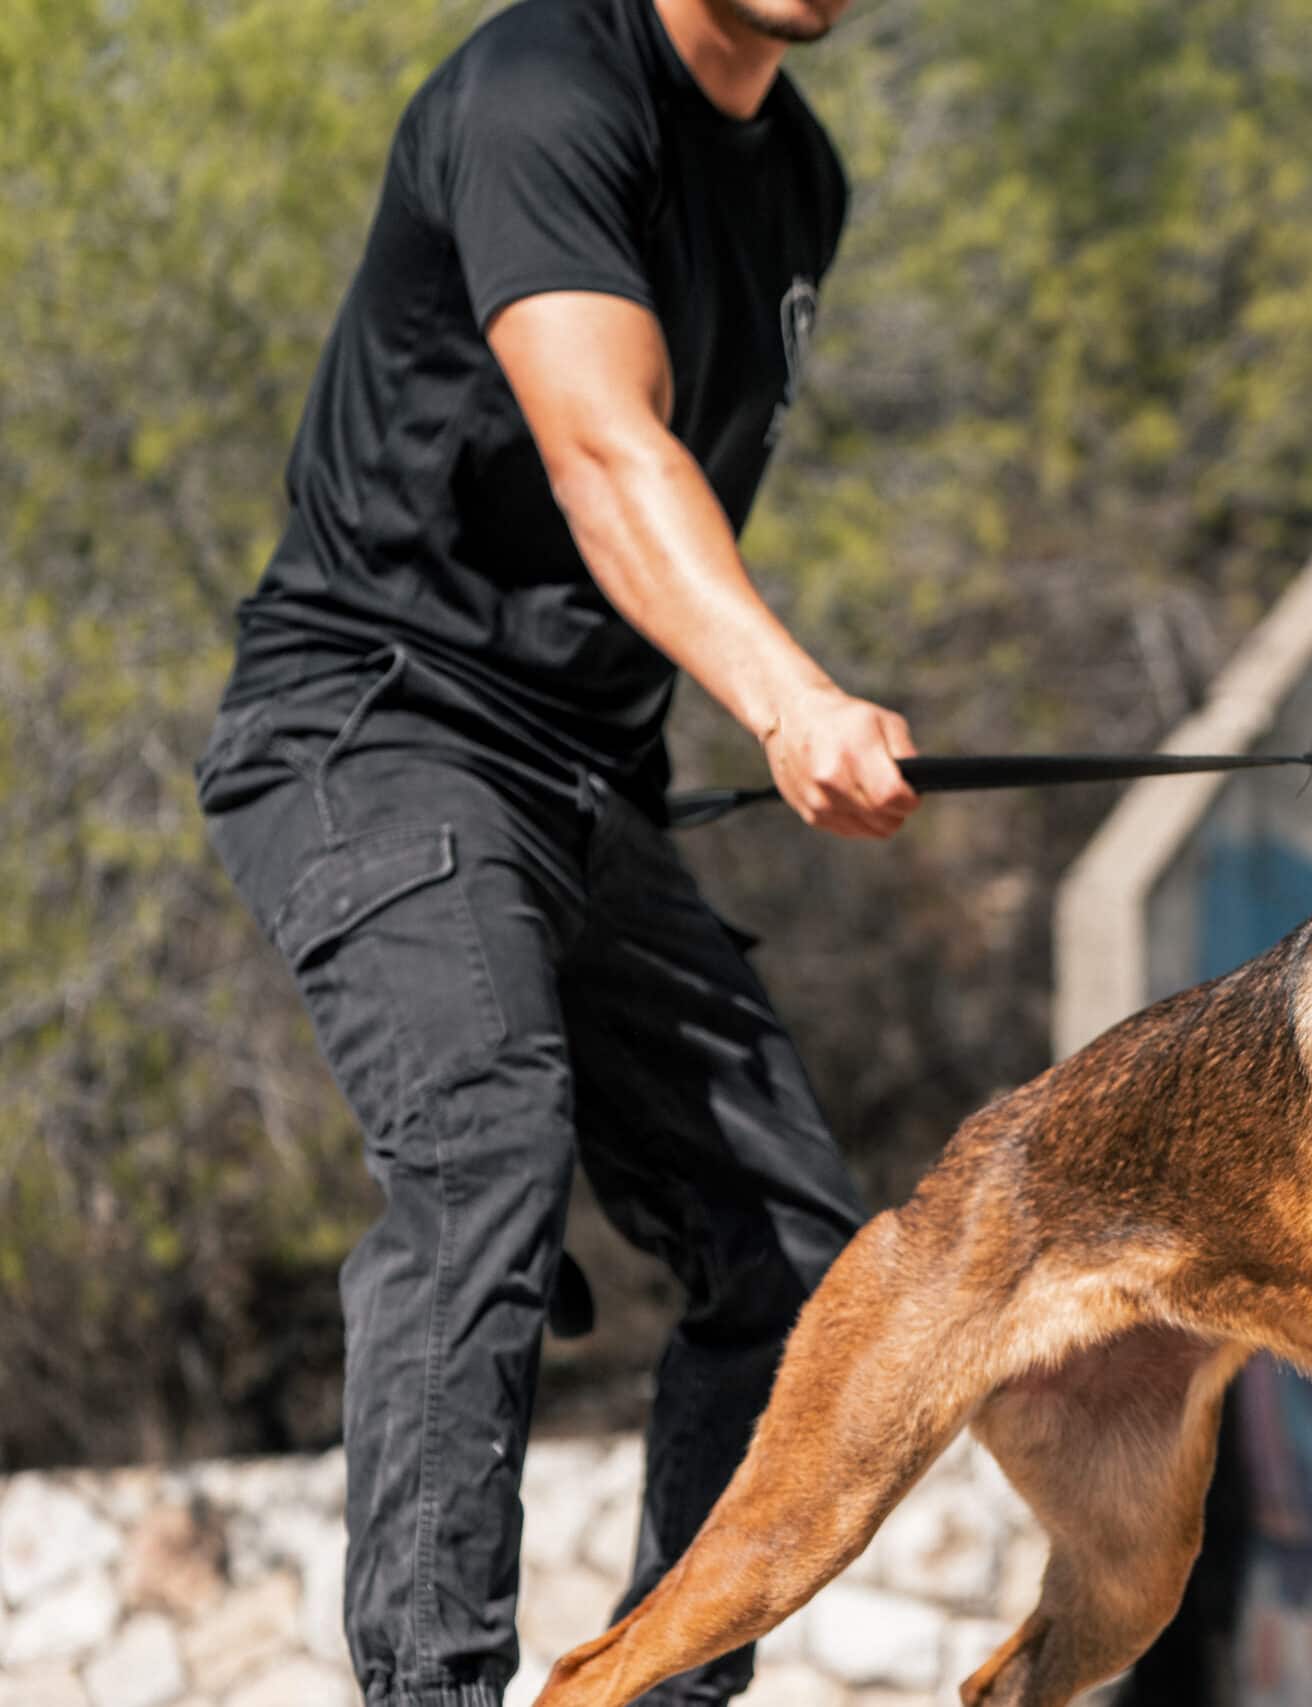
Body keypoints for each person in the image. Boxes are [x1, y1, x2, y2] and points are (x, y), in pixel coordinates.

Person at [190, 0, 907, 1700]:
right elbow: (604, 451)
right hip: (377, 724)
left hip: (585, 777)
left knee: (803, 1258)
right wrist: (792, 699)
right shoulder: (545, 92)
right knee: (483, 1157)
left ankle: (658, 1687)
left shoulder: (798, 176)